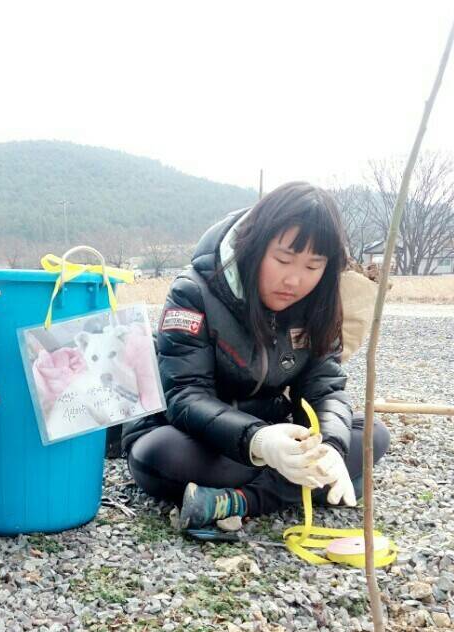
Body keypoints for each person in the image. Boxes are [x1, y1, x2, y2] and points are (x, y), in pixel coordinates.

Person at [122, 182, 390, 535]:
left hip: (272, 431)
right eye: (282, 259)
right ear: (254, 245)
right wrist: (259, 441)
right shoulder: (194, 291)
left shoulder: (320, 304)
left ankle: (238, 501)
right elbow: (184, 395)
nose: (294, 280)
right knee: (159, 454)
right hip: (192, 432)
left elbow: (326, 387)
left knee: (373, 435)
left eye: (314, 265)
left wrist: (329, 446)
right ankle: (304, 487)